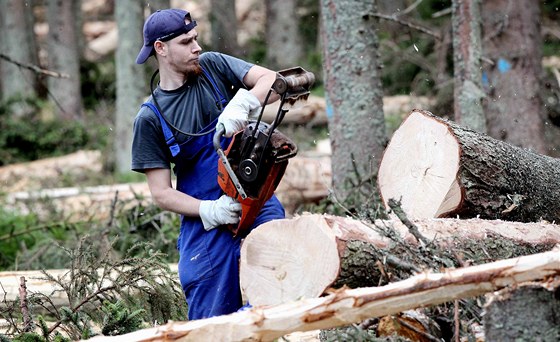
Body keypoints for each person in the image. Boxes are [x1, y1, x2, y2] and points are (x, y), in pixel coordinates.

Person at [131, 8, 285, 320]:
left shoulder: (212, 67)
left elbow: (273, 80)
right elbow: (161, 193)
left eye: (196, 38)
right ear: (160, 48)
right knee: (210, 308)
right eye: (186, 42)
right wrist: (208, 211)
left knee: (281, 271)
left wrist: (244, 103)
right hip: (207, 216)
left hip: (254, 198)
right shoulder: (150, 117)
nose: (196, 47)